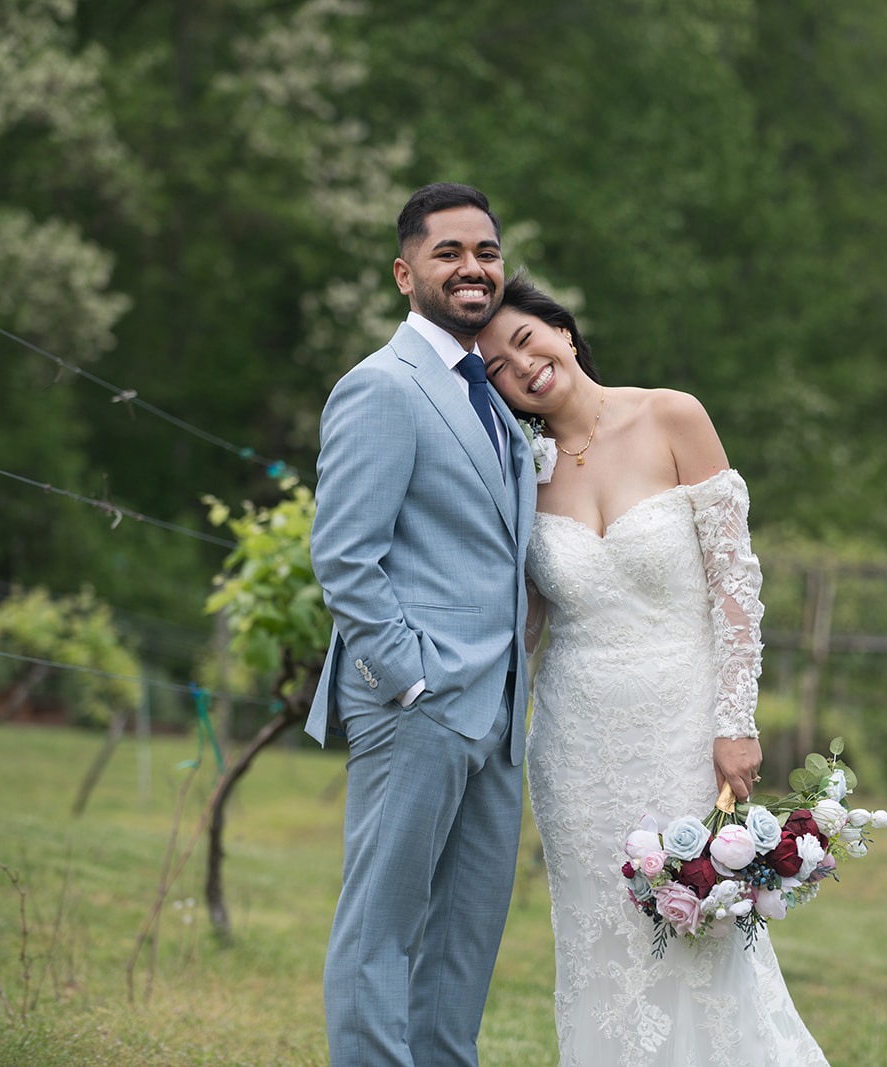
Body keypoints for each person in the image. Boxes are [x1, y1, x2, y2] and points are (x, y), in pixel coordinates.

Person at [478, 272, 829, 1066]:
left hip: (682, 721)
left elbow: (736, 582)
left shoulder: (672, 414)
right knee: (600, 945)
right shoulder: (522, 473)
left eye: (526, 339)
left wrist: (735, 721)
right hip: (573, 740)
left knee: (698, 927)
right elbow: (530, 620)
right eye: (497, 364)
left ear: (562, 331)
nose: (521, 364)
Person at [306, 182, 537, 1067]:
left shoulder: (491, 396)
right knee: (381, 928)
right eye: (449, 253)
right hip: (420, 702)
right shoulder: (382, 387)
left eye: (486, 252)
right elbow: (345, 557)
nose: (472, 268)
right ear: (406, 274)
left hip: (497, 711)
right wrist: (409, 676)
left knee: (462, 946)